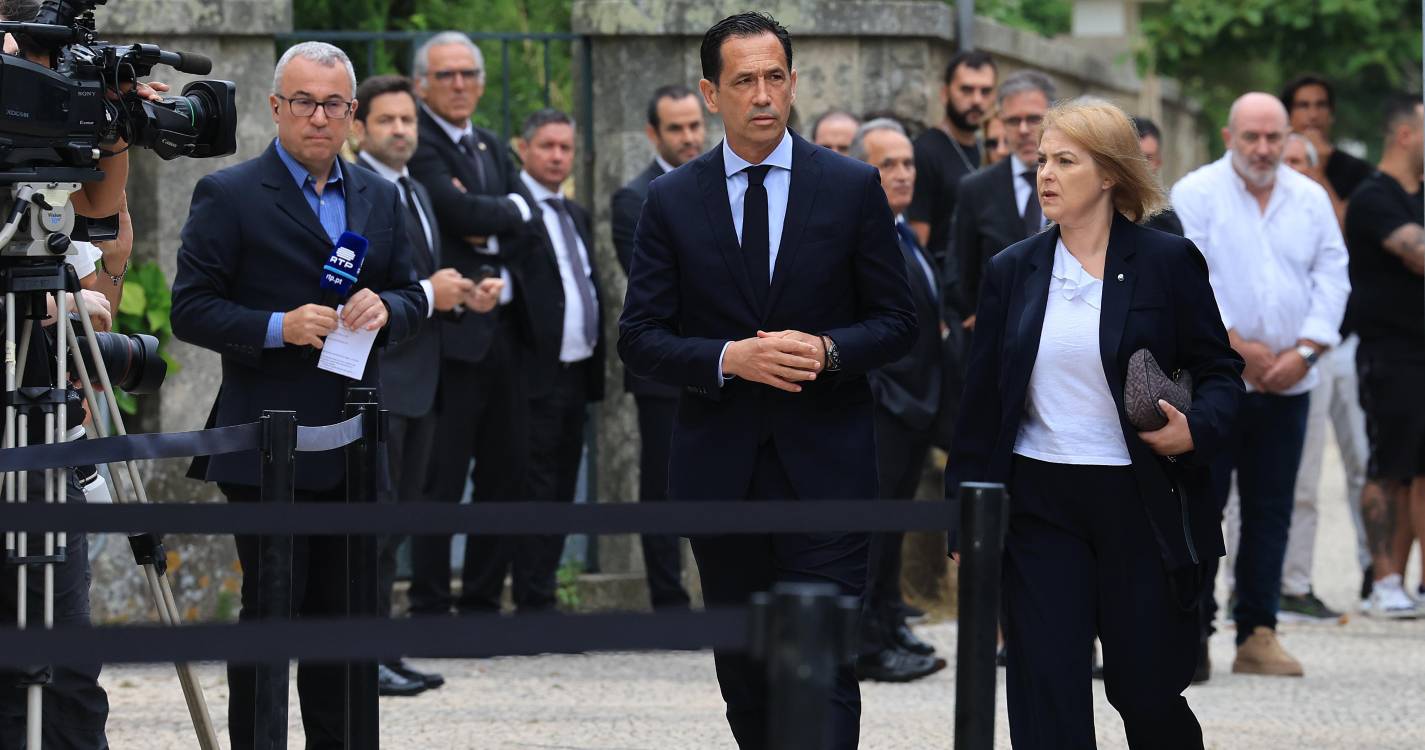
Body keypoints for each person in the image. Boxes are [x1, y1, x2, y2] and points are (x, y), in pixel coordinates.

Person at [618, 13, 916, 749]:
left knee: (822, 667)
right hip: (721, 473)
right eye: (744, 80)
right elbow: (640, 338)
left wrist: (827, 350)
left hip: (828, 469)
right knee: (748, 676)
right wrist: (728, 358)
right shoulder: (672, 199)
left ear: (792, 83)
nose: (762, 95)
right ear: (709, 94)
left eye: (774, 77)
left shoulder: (850, 186)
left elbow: (897, 322)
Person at [946, 97, 1241, 750]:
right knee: (1044, 688)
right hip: (1038, 502)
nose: (1045, 174)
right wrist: (965, 514)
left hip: (1139, 499)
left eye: (1065, 161)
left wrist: (1195, 429)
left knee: (1145, 690)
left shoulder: (1167, 261)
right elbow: (982, 403)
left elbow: (1221, 372)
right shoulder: (1011, 269)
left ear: (1109, 173)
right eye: (1041, 160)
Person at [171, 42, 426, 748]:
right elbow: (190, 309)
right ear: (276, 107)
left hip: (356, 441)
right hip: (267, 445)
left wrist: (389, 309)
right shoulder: (229, 194)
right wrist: (277, 327)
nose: (319, 117)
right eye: (304, 102)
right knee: (273, 617)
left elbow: (412, 293)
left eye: (333, 104)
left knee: (344, 624)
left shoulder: (380, 195)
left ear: (353, 113)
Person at [1171, 92, 1350, 679]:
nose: (1264, 148)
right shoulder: (1197, 193)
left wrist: (1306, 350)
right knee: (1202, 506)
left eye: (1274, 137)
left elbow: (1332, 274)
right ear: (1229, 137)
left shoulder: (1309, 198)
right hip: (1216, 383)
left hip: (1290, 382)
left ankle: (1258, 631)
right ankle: (1192, 633)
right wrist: (1235, 348)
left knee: (1272, 509)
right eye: (1252, 136)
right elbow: (1189, 277)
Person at [350, 73, 504, 695]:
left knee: (397, 526)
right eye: (387, 120)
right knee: (373, 528)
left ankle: (384, 650)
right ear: (359, 128)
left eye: (408, 120)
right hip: (378, 379)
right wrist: (428, 291)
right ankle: (362, 659)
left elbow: (420, 281)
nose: (400, 131)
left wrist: (461, 295)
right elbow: (354, 286)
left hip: (423, 381)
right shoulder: (354, 191)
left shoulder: (414, 189)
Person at [406, 31, 537, 615]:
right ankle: (430, 606)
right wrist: (500, 213)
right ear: (421, 84)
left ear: (481, 84)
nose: (459, 85)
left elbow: (524, 221)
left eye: (468, 74)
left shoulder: (488, 144)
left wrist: (494, 225)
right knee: (441, 479)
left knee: (504, 476)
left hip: (503, 332)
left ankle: (482, 604)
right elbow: (455, 212)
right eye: (446, 75)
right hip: (451, 337)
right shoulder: (421, 143)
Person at [850, 118, 951, 683]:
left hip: (915, 409)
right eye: (887, 163)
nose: (903, 173)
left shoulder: (905, 232)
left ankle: (889, 624)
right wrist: (886, 397)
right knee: (871, 531)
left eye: (908, 162)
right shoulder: (860, 234)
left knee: (893, 529)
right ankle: (867, 644)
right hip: (882, 409)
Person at [1262, 129, 1371, 622]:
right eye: (1282, 160)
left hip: (1311, 357)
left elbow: (1333, 280)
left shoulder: (1316, 208)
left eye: (1298, 161)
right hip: (1252, 361)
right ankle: (1248, 586)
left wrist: (1305, 350)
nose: (1288, 169)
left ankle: (1294, 583)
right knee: (1246, 489)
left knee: (1304, 479)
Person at [609, 83, 704, 609]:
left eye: (694, 125)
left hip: (728, 361)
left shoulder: (722, 182)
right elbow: (657, 288)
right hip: (665, 366)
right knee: (663, 484)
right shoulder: (633, 198)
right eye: (676, 128)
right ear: (653, 133)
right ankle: (669, 602)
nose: (689, 137)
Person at [510, 108, 605, 610]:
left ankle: (543, 592)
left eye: (565, 148)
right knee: (533, 492)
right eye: (547, 146)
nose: (557, 156)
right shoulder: (511, 209)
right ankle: (532, 601)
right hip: (531, 379)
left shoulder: (575, 214)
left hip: (575, 374)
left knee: (564, 489)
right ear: (524, 149)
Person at [1345, 95, 1425, 618]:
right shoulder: (1374, 196)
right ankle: (1384, 580)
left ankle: (1414, 582)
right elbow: (1417, 254)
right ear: (1404, 135)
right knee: (1388, 468)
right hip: (1389, 353)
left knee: (1421, 470)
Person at [954, 69, 1055, 323]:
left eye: (1034, 119)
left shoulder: (1076, 182)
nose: (1023, 130)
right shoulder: (976, 189)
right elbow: (961, 271)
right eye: (1012, 121)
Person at [908, 50, 996, 314]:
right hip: (946, 304)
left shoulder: (988, 149)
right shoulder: (924, 152)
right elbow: (917, 243)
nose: (977, 100)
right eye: (966, 90)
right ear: (945, 93)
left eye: (985, 91)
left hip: (985, 295)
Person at [1281, 74, 1375, 228]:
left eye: (1321, 105)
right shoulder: (1270, 163)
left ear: (1331, 115)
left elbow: (1344, 229)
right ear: (1288, 115)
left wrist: (1318, 172)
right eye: (1303, 106)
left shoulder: (1358, 171)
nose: (1313, 115)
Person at [1131, 116, 1184, 236]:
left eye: (1147, 158)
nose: (1139, 165)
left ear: (1158, 161)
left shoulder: (1166, 219)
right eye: (1133, 157)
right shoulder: (1102, 209)